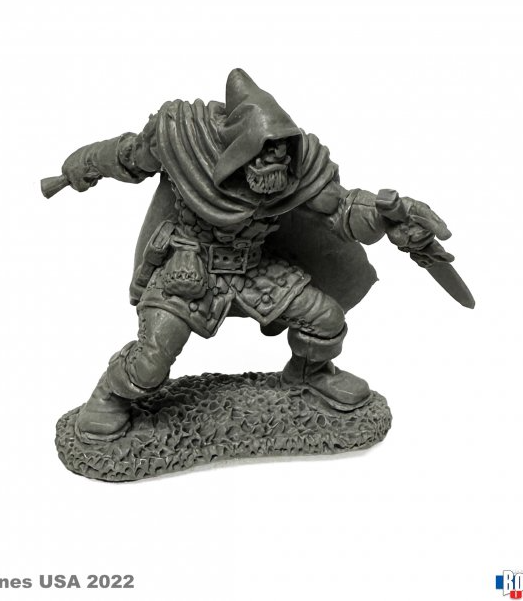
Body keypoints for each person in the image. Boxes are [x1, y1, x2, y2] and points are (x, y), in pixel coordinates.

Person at [57, 68, 453, 442]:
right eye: (264, 153)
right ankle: (109, 396)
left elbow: (341, 208)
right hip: (188, 267)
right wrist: (86, 163)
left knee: (325, 320)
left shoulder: (297, 169)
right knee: (150, 362)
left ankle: (309, 374)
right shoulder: (184, 144)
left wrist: (386, 216)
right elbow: (129, 156)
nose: (275, 163)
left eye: (282, 152)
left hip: (253, 266)